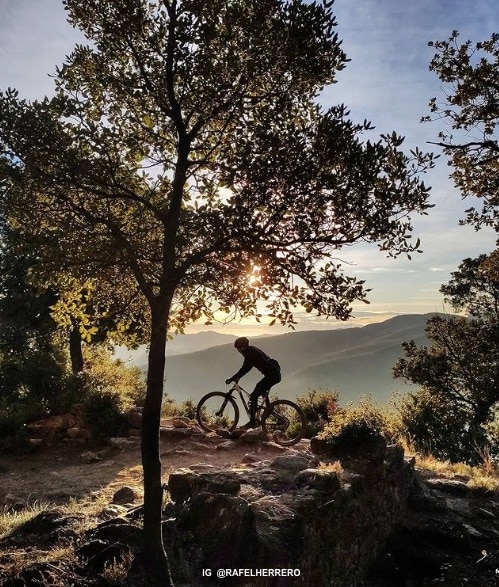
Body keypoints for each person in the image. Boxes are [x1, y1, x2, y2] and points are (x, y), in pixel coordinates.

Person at [225, 336, 281, 429]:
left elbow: (245, 368)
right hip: (274, 374)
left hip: (272, 376)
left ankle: (252, 422)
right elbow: (246, 368)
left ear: (243, 347)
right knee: (260, 388)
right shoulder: (252, 350)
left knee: (254, 396)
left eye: (238, 349)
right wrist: (236, 377)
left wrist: (232, 378)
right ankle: (268, 408)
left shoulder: (250, 354)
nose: (238, 351)